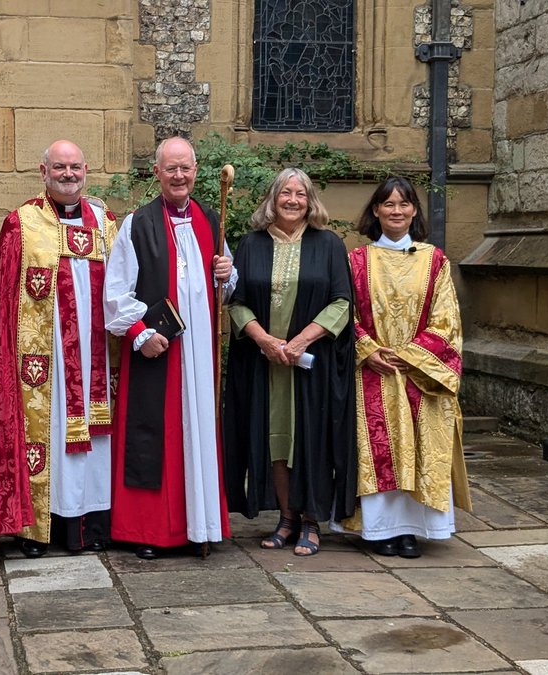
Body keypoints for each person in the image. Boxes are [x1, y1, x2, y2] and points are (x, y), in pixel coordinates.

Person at [103, 136, 236, 559]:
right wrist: (140, 333)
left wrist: (227, 272)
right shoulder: (137, 225)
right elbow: (116, 292)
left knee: (197, 434)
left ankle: (201, 525)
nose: (179, 176)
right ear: (156, 173)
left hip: (199, 352)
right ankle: (149, 532)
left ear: (195, 171)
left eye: (186, 168)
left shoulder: (211, 219)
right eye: (171, 168)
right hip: (159, 350)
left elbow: (227, 290)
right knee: (153, 437)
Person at [0, 140, 117, 557]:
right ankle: (37, 529)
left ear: (87, 170)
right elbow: (3, 294)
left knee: (95, 446)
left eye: (75, 167)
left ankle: (91, 528)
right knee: (46, 440)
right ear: (43, 172)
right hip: (44, 364)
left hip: (98, 358)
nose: (68, 174)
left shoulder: (106, 222)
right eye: (59, 167)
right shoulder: (21, 223)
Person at [331, 176, 471, 559]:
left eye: (404, 204)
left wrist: (409, 356)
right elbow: (344, 312)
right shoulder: (356, 261)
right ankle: (378, 530)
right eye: (388, 204)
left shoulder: (434, 261)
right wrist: (366, 348)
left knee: (420, 450)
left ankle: (411, 529)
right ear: (375, 210)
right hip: (372, 371)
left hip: (419, 375)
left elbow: (447, 322)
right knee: (377, 449)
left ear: (414, 211)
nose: (397, 211)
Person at [223, 168, 358, 557]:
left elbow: (342, 302)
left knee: (311, 439)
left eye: (301, 193)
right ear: (272, 199)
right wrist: (264, 340)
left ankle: (312, 522)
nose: (293, 200)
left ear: (310, 201)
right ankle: (286, 518)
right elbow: (237, 302)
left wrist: (300, 341)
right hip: (266, 364)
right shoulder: (251, 245)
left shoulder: (328, 244)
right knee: (277, 440)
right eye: (285, 192)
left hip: (311, 364)